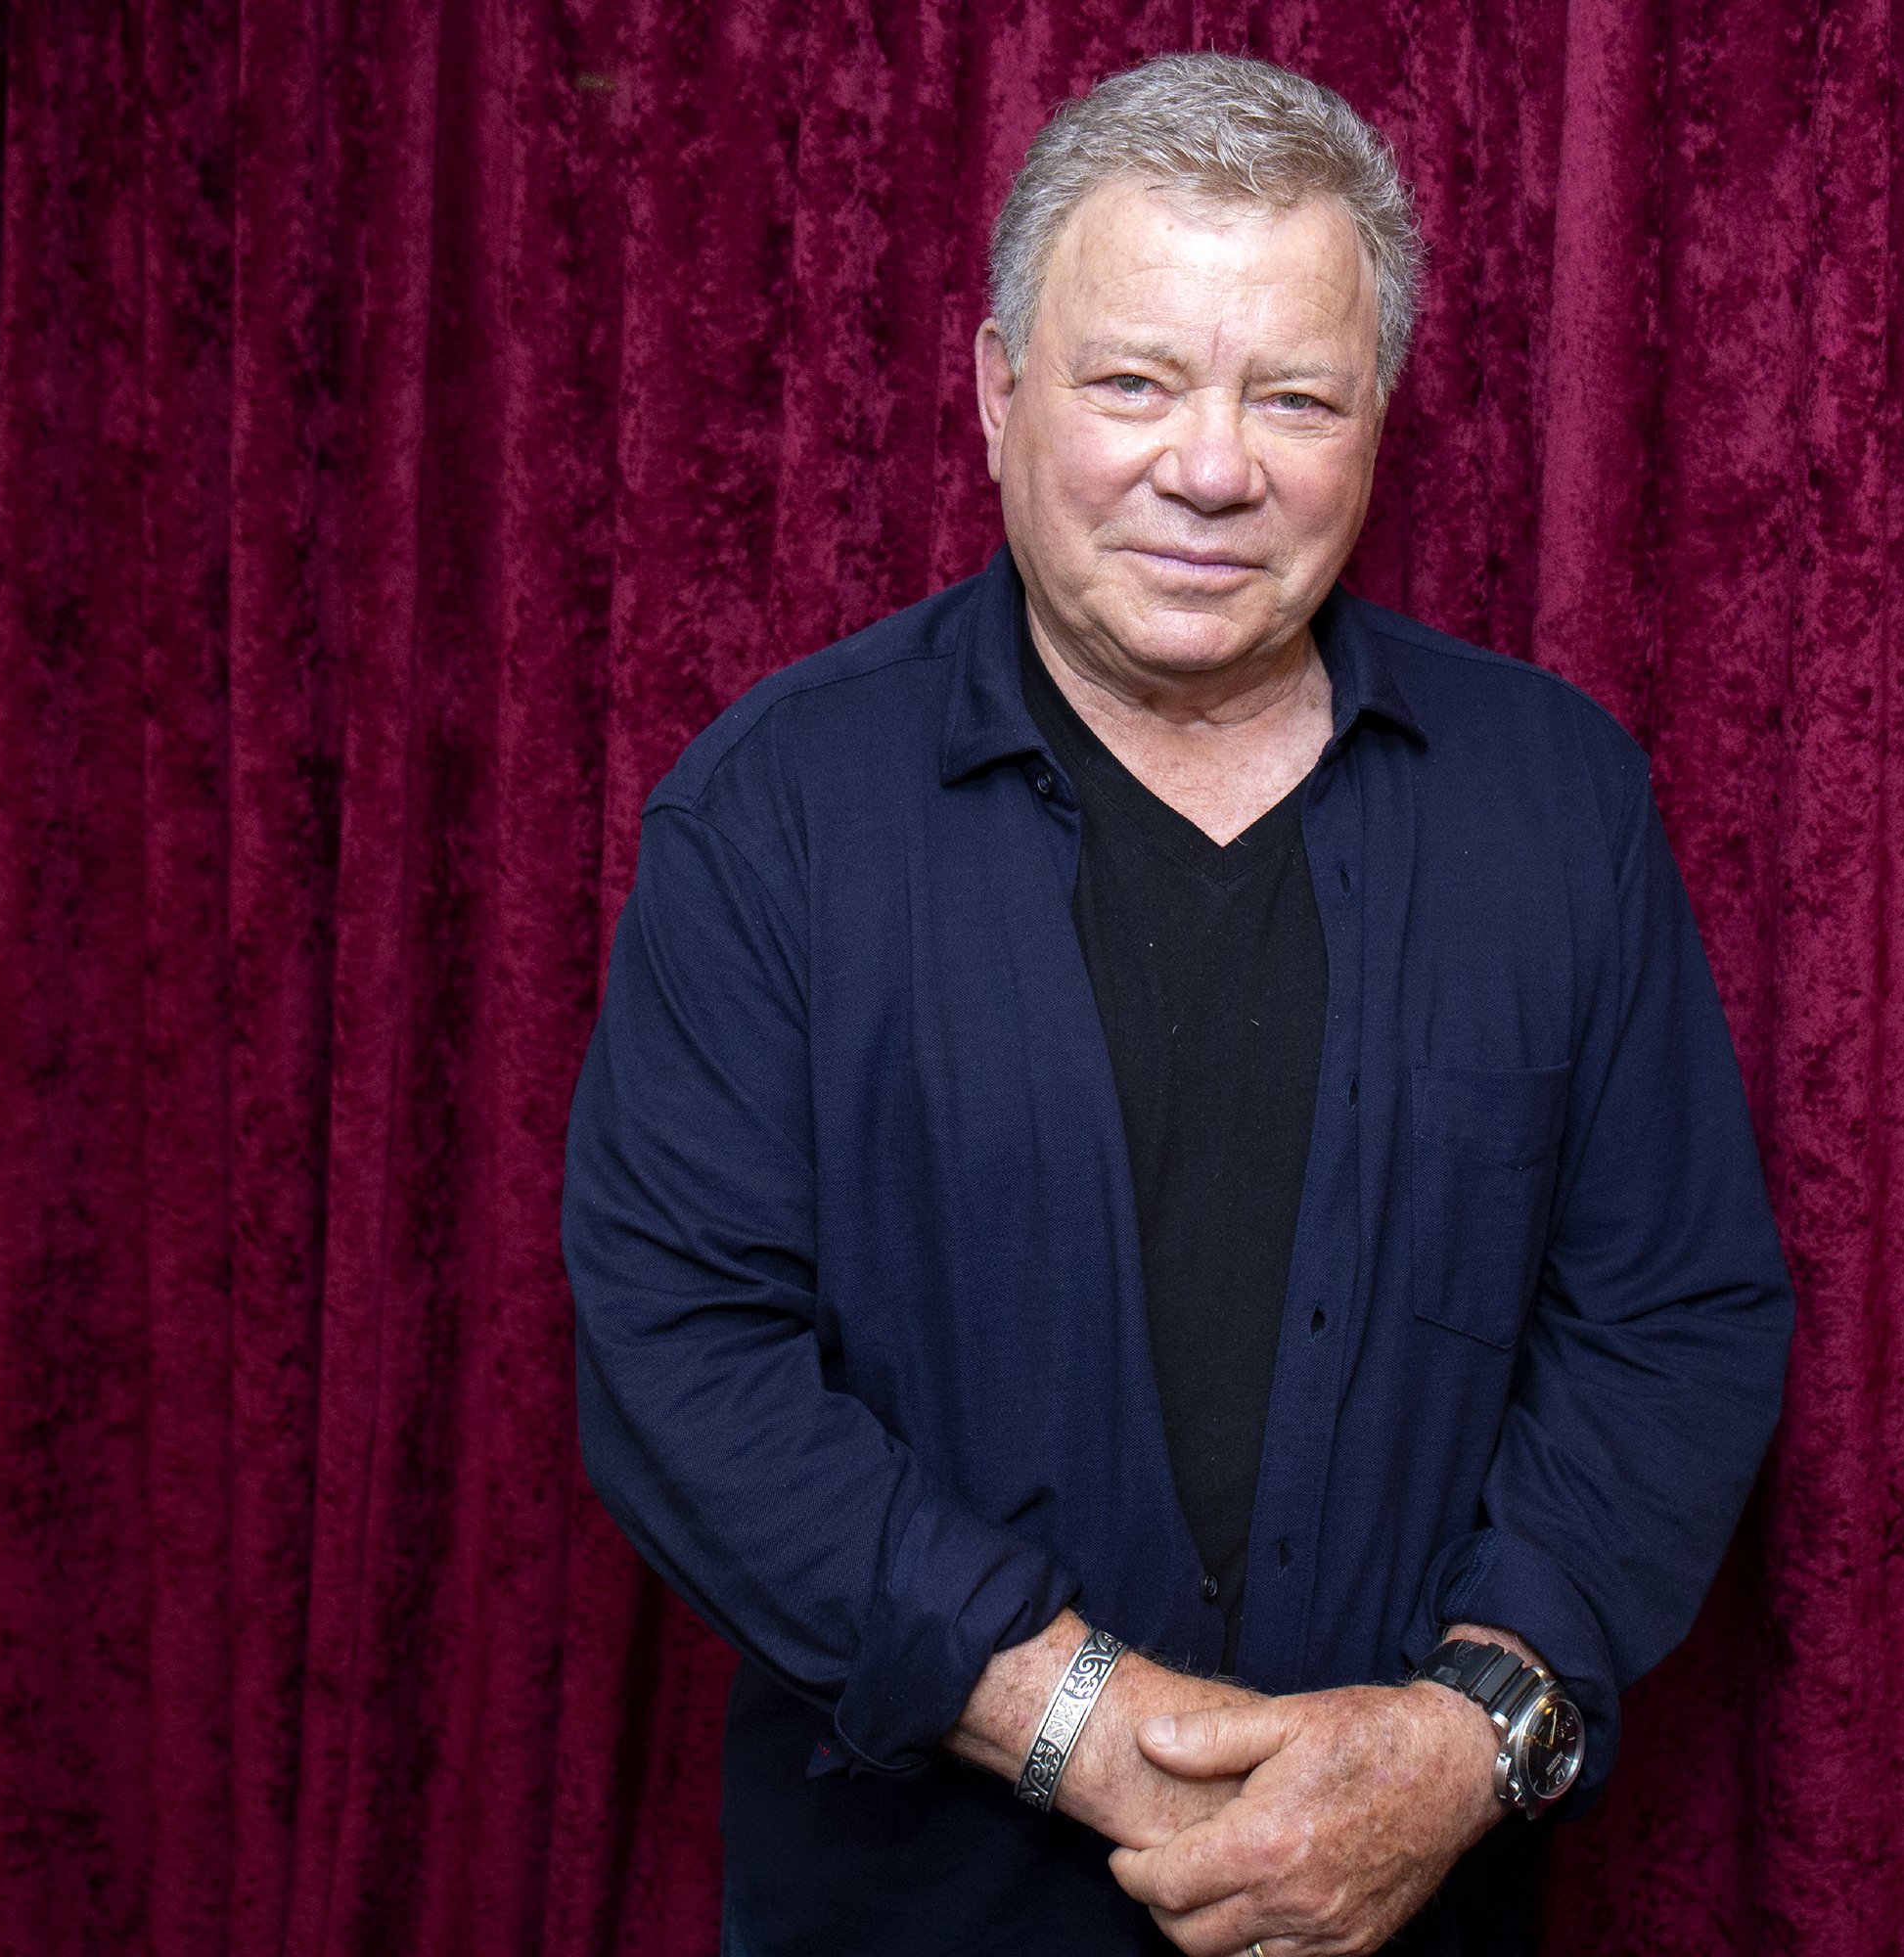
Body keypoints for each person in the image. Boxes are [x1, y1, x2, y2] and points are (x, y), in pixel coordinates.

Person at [563, 50, 1792, 1957]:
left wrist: (1460, 1739)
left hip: (1424, 1916)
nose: (1211, 466)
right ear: (996, 393)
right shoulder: (772, 816)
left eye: (1291, 395)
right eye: (1134, 380)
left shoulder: (1560, 804)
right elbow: (680, 1360)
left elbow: (1674, 1320)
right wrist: (1086, 1727)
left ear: (1374, 420)